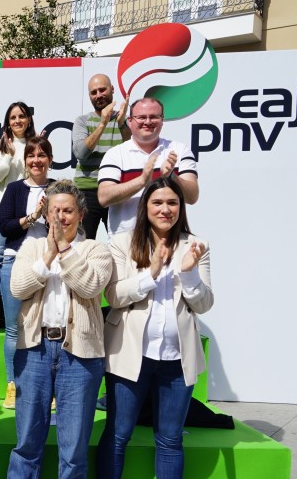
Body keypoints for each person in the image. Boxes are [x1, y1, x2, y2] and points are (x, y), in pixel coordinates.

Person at [96, 177, 214, 479]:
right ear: (145, 206)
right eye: (157, 202)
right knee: (118, 435)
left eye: (172, 202)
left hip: (177, 361)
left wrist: (188, 274)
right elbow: (114, 296)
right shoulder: (122, 243)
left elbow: (203, 304)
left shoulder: (196, 245)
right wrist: (152, 273)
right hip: (129, 357)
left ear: (181, 207)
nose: (165, 209)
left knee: (171, 441)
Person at [6, 180, 113, 478]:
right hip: (35, 351)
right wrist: (49, 255)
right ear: (46, 215)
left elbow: (90, 286)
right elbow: (17, 287)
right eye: (55, 211)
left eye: (68, 211)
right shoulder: (33, 247)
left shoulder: (96, 250)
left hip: (80, 356)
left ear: (80, 215)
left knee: (74, 451)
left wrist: (64, 250)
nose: (61, 218)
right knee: (27, 445)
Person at [0, 136, 54, 409]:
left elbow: (70, 226)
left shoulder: (59, 188)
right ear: (25, 160)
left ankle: (47, 388)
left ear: (50, 161)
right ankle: (13, 385)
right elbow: (5, 228)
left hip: (50, 264)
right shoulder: (14, 189)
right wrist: (33, 216)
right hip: (15, 261)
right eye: (32, 156)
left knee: (46, 327)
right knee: (14, 329)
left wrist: (49, 214)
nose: (36, 161)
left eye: (42, 155)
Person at [97, 98, 199, 235]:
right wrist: (142, 181)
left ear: (162, 120)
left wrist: (172, 177)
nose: (148, 122)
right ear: (130, 121)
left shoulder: (179, 150)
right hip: (126, 241)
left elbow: (192, 197)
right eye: (141, 117)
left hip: (169, 239)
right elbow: (104, 197)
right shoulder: (115, 154)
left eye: (154, 117)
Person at [72, 74, 131, 239]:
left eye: (102, 90)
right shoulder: (82, 121)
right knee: (83, 246)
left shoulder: (125, 120)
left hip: (116, 189)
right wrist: (103, 123)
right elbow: (80, 153)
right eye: (93, 92)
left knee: (122, 243)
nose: (98, 95)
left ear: (112, 89)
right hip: (86, 191)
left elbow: (133, 150)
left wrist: (121, 124)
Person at [0, 101, 37, 254]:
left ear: (29, 120)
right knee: (0, 254)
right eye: (13, 117)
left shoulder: (34, 145)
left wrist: (38, 152)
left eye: (21, 116)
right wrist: (9, 155)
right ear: (8, 123)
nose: (17, 121)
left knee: (24, 253)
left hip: (26, 209)